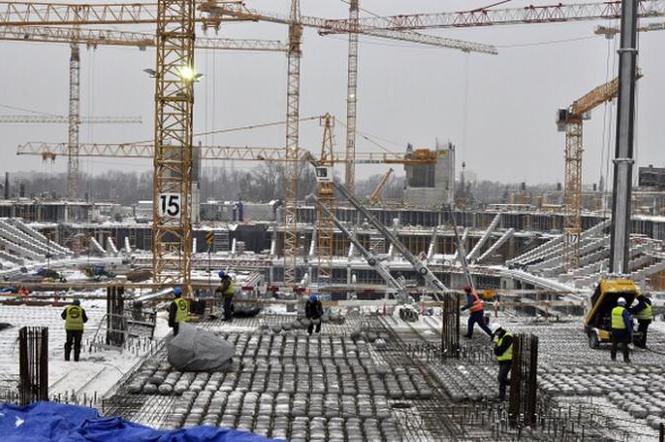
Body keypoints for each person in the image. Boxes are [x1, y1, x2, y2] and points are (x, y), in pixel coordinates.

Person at [492, 323, 513, 401]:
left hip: (508, 360)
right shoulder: (499, 337)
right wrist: (496, 349)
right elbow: (496, 348)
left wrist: (497, 350)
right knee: (502, 378)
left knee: (500, 378)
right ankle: (501, 396)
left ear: (499, 330)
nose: (495, 334)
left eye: (496, 332)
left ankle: (515, 384)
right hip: (501, 360)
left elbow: (500, 350)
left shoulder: (508, 336)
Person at [611, 297, 633, 363]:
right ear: (624, 303)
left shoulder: (613, 310)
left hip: (614, 329)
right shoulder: (624, 310)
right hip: (622, 330)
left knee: (614, 344)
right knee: (624, 345)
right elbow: (627, 322)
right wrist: (630, 331)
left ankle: (613, 357)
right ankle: (626, 359)